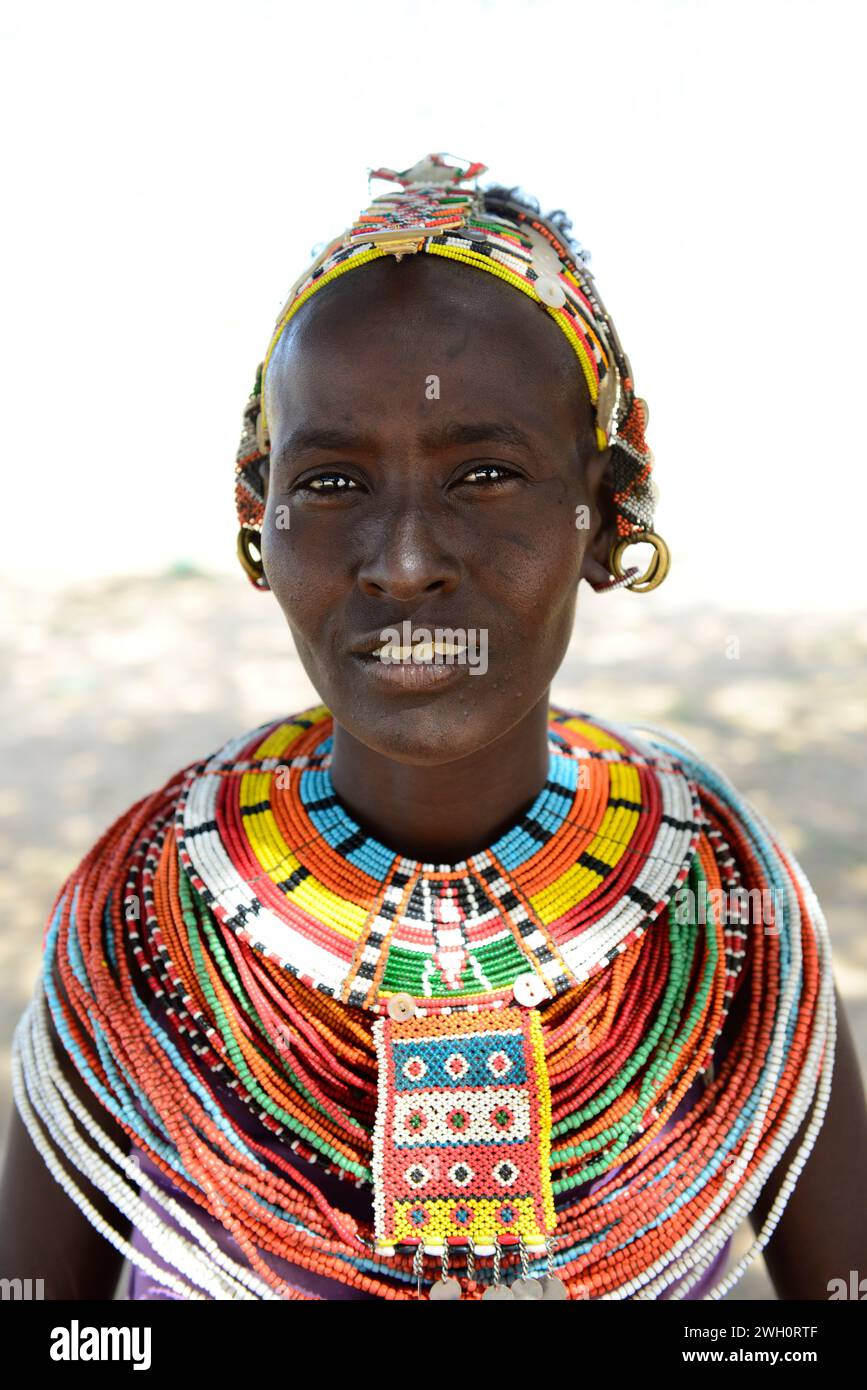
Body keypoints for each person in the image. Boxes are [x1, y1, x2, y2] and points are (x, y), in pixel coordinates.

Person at [2, 152, 866, 1301]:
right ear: (259, 520)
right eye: (334, 483)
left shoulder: (733, 909)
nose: (405, 564)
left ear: (607, 517)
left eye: (488, 473)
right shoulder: (137, 918)